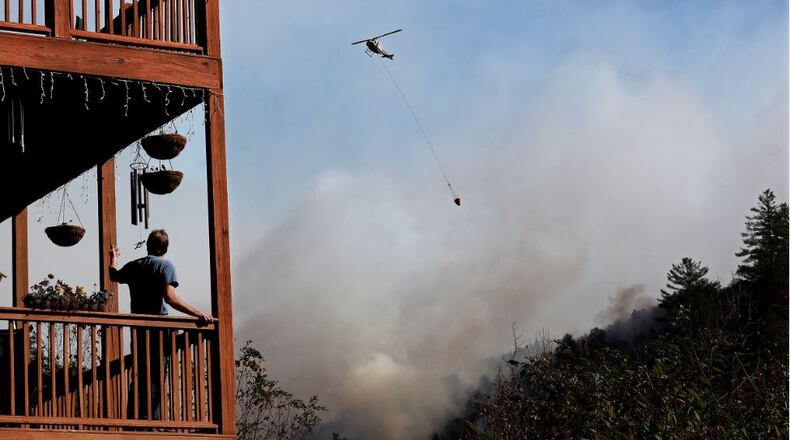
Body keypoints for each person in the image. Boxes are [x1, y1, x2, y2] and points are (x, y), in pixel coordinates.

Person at [109, 229, 214, 420]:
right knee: (156, 376)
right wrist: (198, 313)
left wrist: (114, 257)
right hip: (158, 329)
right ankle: (151, 420)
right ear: (165, 248)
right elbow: (170, 297)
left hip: (139, 330)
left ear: (148, 245)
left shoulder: (135, 265)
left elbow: (113, 275)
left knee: (140, 374)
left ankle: (135, 418)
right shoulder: (166, 266)